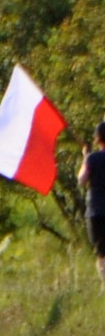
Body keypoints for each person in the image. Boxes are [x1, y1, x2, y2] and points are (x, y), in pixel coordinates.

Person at [77, 122, 105, 290]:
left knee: (102, 252)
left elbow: (81, 180)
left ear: (98, 139)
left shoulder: (92, 158)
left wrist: (85, 158)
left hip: (97, 210)